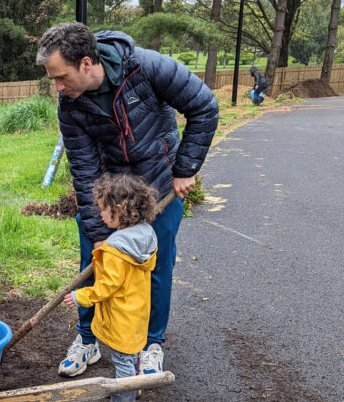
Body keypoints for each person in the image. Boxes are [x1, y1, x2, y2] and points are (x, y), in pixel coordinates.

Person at [36, 22, 219, 378]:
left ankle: (150, 345)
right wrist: (99, 231)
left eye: (61, 77)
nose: (57, 87)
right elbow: (85, 170)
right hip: (110, 198)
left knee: (155, 267)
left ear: (86, 63)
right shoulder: (70, 106)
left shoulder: (147, 67)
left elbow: (204, 107)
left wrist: (185, 168)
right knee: (95, 261)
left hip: (160, 189)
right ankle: (88, 339)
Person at [63, 174, 158, 402]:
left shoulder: (116, 248)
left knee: (122, 361)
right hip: (137, 311)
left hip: (121, 315)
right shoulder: (145, 236)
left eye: (104, 209)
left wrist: (80, 296)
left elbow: (106, 287)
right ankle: (134, 387)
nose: (101, 215)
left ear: (120, 211)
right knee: (133, 354)